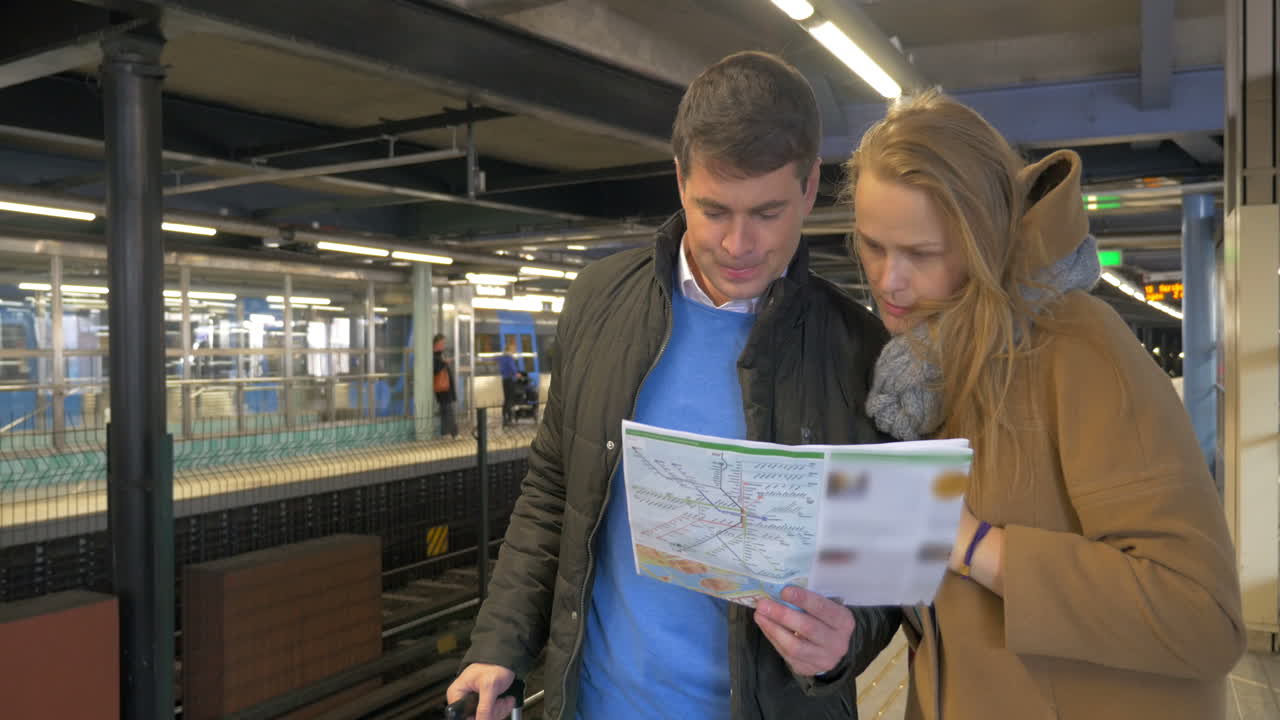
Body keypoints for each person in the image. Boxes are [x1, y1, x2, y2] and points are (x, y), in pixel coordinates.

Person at [448, 51, 899, 720]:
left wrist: (843, 644)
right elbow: (552, 491)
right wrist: (499, 645)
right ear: (680, 180)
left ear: (808, 190)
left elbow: (882, 566)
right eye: (714, 209)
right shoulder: (600, 301)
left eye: (768, 212)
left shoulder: (860, 351)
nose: (739, 243)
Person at [845, 90, 1245, 720]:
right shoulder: (921, 374)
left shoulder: (1078, 348)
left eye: (921, 254)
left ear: (986, 240)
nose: (888, 281)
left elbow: (1204, 616)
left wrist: (976, 545)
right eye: (872, 245)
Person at [434, 333, 458, 438]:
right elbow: (436, 369)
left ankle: (446, 433)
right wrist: (445, 362)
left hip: (445, 387)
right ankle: (453, 433)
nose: (443, 345)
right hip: (442, 387)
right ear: (437, 343)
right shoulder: (434, 356)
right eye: (442, 343)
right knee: (448, 410)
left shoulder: (440, 354)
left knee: (446, 410)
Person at [498, 337, 519, 427]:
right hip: (510, 380)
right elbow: (512, 369)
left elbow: (502, 369)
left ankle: (505, 417)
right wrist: (517, 374)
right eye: (514, 348)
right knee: (510, 399)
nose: (515, 350)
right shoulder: (510, 357)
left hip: (504, 380)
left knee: (506, 399)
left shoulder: (503, 357)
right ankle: (510, 419)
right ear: (511, 348)